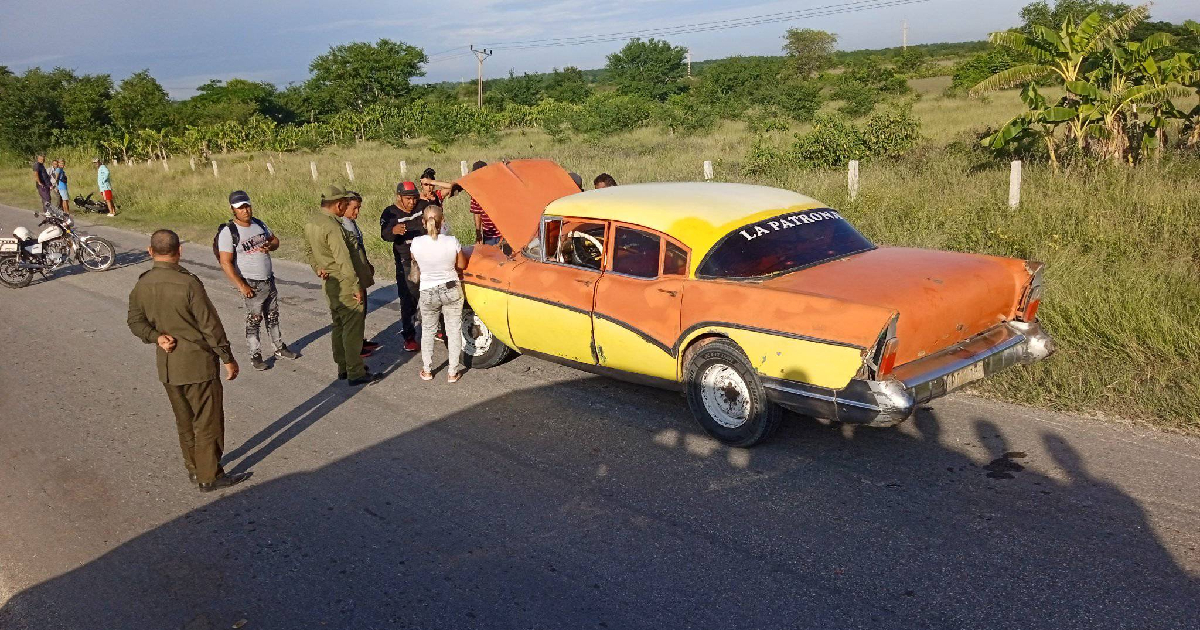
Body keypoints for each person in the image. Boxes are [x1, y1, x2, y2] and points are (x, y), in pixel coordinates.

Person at [127, 229, 250, 492]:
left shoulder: (142, 283)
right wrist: (227, 357)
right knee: (207, 422)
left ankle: (194, 469)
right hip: (198, 365)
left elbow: (135, 321)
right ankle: (210, 476)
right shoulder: (189, 284)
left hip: (168, 367)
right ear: (179, 251)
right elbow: (210, 326)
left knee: (184, 421)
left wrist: (156, 337)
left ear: (150, 252)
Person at [216, 190, 299, 371]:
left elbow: (275, 240)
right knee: (254, 320)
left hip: (268, 280)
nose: (245, 210)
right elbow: (225, 262)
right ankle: (255, 355)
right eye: (240, 208)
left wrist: (271, 245)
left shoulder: (259, 224)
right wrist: (241, 285)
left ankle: (279, 347)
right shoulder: (229, 232)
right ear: (233, 210)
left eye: (247, 206)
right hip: (250, 283)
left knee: (273, 316)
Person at [305, 186, 379, 385]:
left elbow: (308, 250)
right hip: (344, 283)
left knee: (338, 326)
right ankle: (356, 372)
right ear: (338, 204)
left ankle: (343, 367)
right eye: (346, 205)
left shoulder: (312, 222)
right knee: (352, 328)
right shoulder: (333, 227)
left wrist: (317, 266)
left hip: (330, 284)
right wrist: (356, 287)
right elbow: (344, 260)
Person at [410, 204, 467, 383]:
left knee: (428, 331)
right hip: (450, 287)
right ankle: (452, 372)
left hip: (427, 290)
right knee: (453, 330)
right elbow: (462, 265)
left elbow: (415, 261)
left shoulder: (416, 243)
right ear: (443, 222)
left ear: (423, 222)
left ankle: (427, 370)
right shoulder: (452, 241)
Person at [379, 181, 427, 352]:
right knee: (409, 298)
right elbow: (384, 234)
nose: (412, 202)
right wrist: (393, 231)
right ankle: (409, 336)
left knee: (433, 295)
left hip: (427, 259)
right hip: (406, 262)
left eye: (414, 198)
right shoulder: (390, 212)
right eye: (408, 198)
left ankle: (437, 329)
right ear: (399, 197)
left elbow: (437, 212)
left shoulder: (423, 206)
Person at [340, 191, 380, 357]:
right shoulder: (342, 225)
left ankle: (360, 340)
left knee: (362, 309)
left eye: (359, 208)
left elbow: (360, 248)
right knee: (355, 310)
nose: (357, 212)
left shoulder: (351, 222)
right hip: (352, 274)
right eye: (354, 208)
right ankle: (354, 347)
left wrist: (367, 264)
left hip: (360, 270)